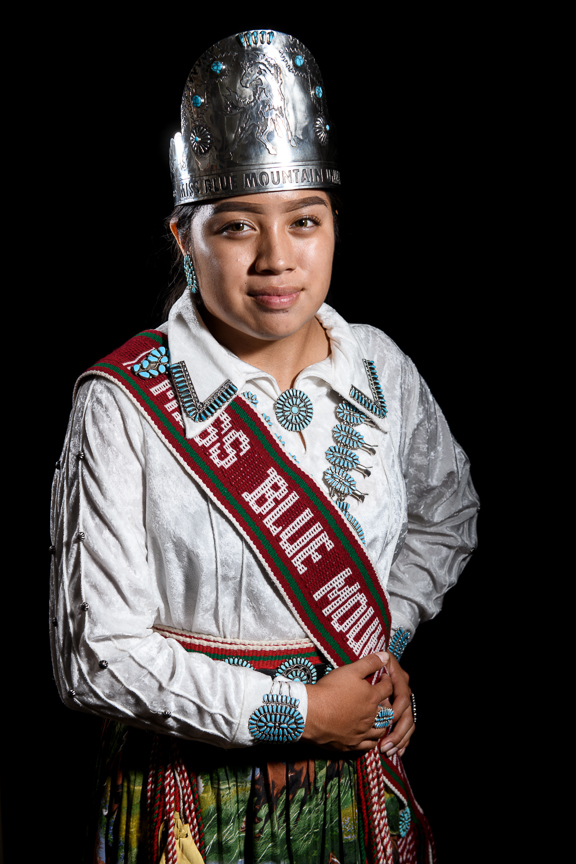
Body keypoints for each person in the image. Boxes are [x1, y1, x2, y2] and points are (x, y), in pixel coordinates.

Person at [50, 28, 479, 864]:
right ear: (185, 238)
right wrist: (301, 714)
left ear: (333, 226)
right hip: (188, 798)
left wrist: (377, 647)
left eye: (305, 222)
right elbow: (95, 656)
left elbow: (446, 515)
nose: (277, 259)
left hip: (354, 786)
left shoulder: (381, 365)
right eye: (239, 227)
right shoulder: (122, 404)